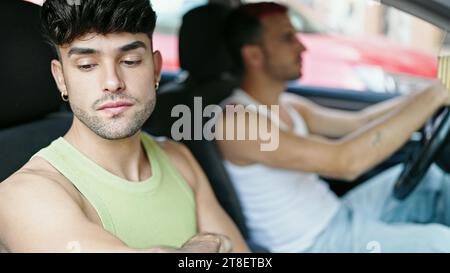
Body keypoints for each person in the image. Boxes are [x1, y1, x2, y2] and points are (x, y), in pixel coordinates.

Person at [0, 0, 248, 253]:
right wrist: (209, 243)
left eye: (130, 61)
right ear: (61, 78)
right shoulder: (22, 195)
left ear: (156, 70)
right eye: (86, 65)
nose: (112, 82)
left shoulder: (178, 158)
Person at [215, 2, 450, 253]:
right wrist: (436, 95)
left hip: (336, 213)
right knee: (441, 243)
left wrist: (434, 88)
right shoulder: (236, 122)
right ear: (254, 55)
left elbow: (361, 122)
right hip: (314, 244)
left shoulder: (288, 104)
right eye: (287, 38)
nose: (302, 46)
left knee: (434, 181)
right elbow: (344, 163)